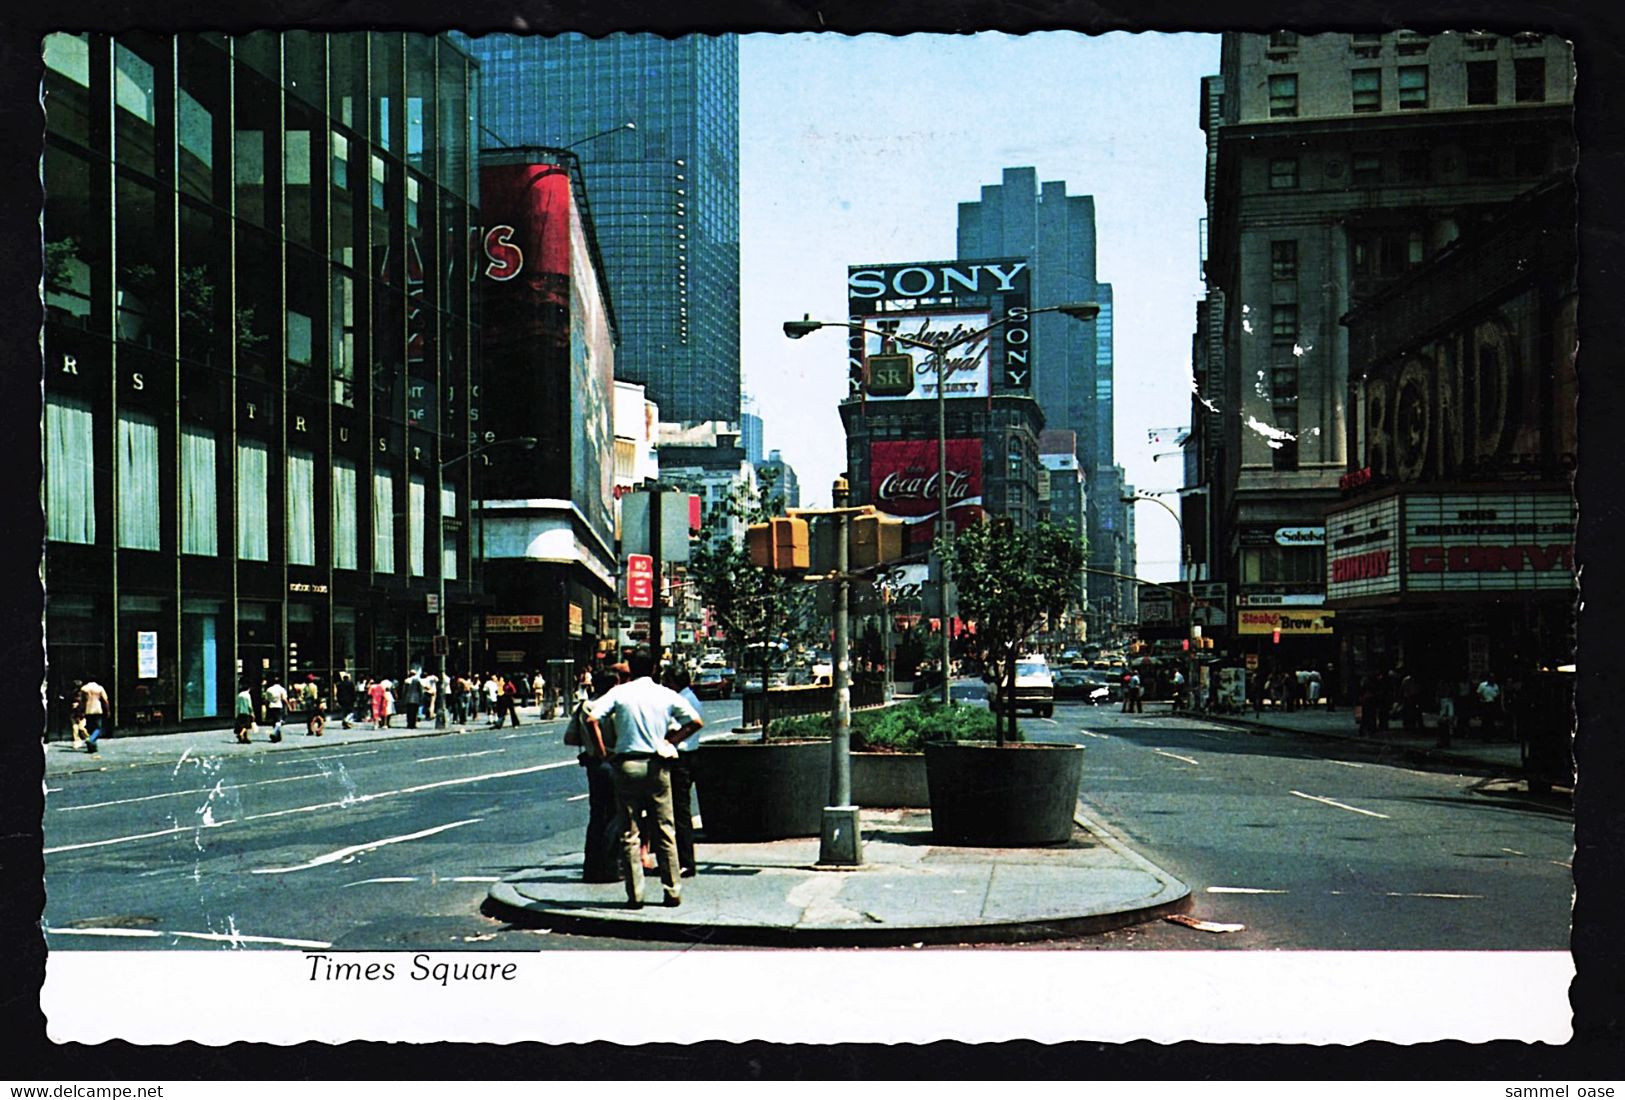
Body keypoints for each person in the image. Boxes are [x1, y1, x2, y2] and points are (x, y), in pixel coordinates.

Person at [584, 649, 703, 909]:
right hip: (658, 764)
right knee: (665, 829)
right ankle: (672, 890)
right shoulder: (665, 694)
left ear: (631, 668)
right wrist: (670, 741)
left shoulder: (620, 693)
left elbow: (592, 718)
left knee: (630, 831)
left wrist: (605, 754)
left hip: (627, 764)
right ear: (653, 669)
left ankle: (635, 894)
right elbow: (695, 722)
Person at [664, 666, 705, 878]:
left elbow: (689, 725)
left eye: (666, 679)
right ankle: (681, 858)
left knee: (678, 811)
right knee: (678, 810)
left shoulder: (682, 700)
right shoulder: (688, 696)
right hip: (689, 756)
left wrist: (669, 741)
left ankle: (685, 861)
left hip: (681, 758)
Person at [262, 675, 289, 743]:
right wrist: (288, 706)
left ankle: (277, 735)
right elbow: (284, 699)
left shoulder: (269, 689)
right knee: (278, 721)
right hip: (278, 706)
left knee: (274, 722)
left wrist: (266, 706)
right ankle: (275, 734)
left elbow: (266, 700)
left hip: (271, 706)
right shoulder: (281, 689)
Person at [234, 679, 256, 743]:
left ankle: (244, 738)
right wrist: (252, 713)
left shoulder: (239, 695)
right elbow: (249, 705)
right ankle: (241, 734)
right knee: (247, 725)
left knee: (241, 725)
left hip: (240, 712)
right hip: (246, 712)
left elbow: (237, 704)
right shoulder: (247, 695)